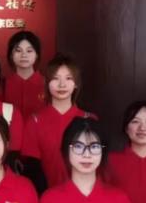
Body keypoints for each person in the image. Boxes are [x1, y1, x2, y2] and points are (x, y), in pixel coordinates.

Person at [22, 54, 96, 189]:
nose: (62, 84)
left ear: (76, 84)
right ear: (47, 83)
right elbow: (32, 168)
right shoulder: (35, 121)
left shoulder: (89, 119)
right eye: (55, 78)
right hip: (46, 193)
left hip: (84, 192)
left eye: (68, 78)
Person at [3, 30, 45, 119]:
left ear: (37, 54)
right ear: (11, 55)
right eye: (18, 50)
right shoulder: (2, 85)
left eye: (29, 51)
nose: (24, 55)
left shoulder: (47, 84)